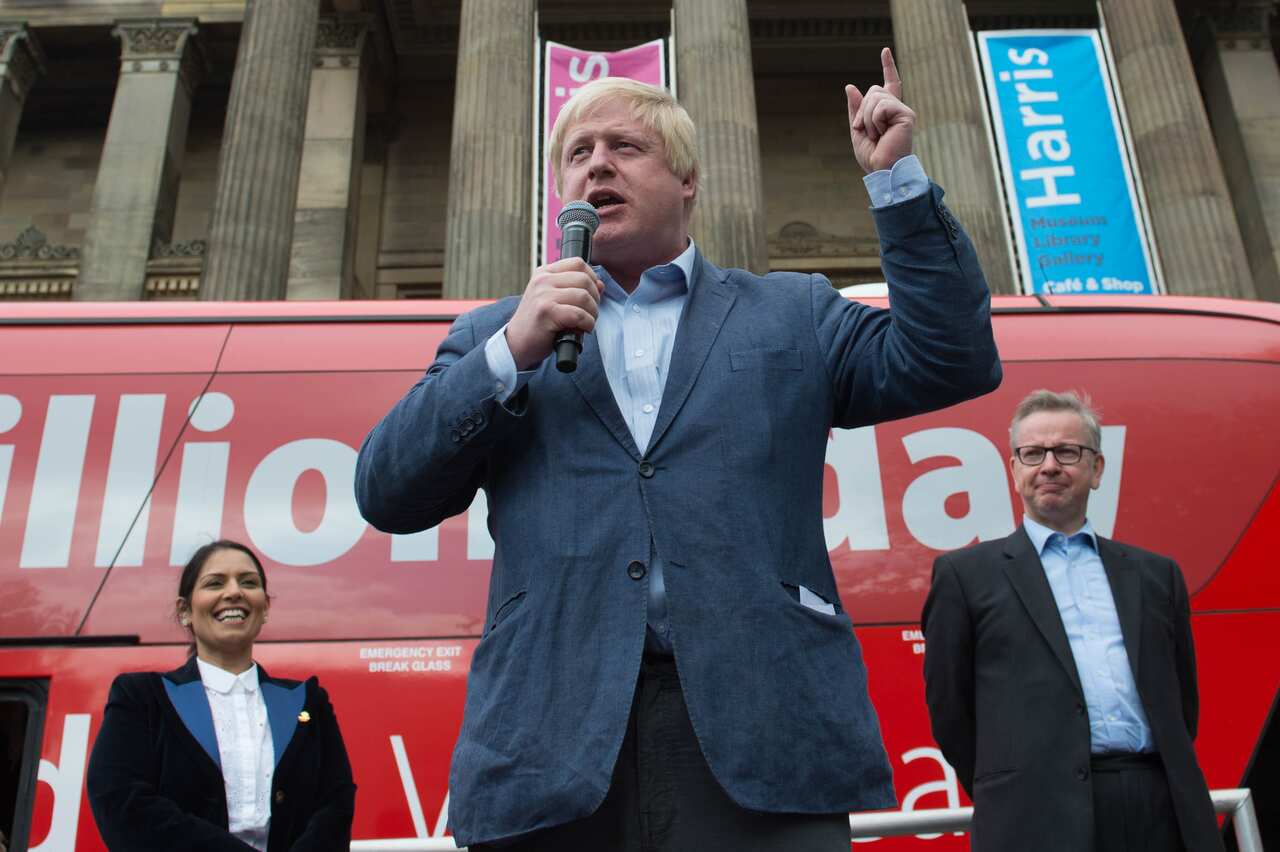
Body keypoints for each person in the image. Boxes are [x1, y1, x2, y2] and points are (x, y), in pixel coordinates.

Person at [356, 49, 1001, 851]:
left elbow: (951, 357)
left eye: (625, 148)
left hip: (762, 734)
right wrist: (511, 354)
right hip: (552, 741)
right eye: (578, 154)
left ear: (687, 180)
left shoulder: (790, 312)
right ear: (562, 191)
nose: (598, 167)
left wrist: (896, 185)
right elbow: (386, 491)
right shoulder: (498, 334)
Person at [921, 390, 1223, 852]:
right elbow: (950, 711)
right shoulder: (964, 576)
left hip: (1158, 806)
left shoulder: (1156, 575)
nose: (1049, 466)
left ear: (1096, 469)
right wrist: (1010, 785)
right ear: (1014, 469)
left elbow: (1182, 701)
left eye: (1067, 451)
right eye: (1033, 453)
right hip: (1034, 813)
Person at [87, 541, 356, 851]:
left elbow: (335, 804)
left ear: (265, 607)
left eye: (248, 582)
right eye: (215, 583)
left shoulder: (309, 701)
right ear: (184, 610)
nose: (234, 592)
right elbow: (120, 800)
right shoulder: (142, 698)